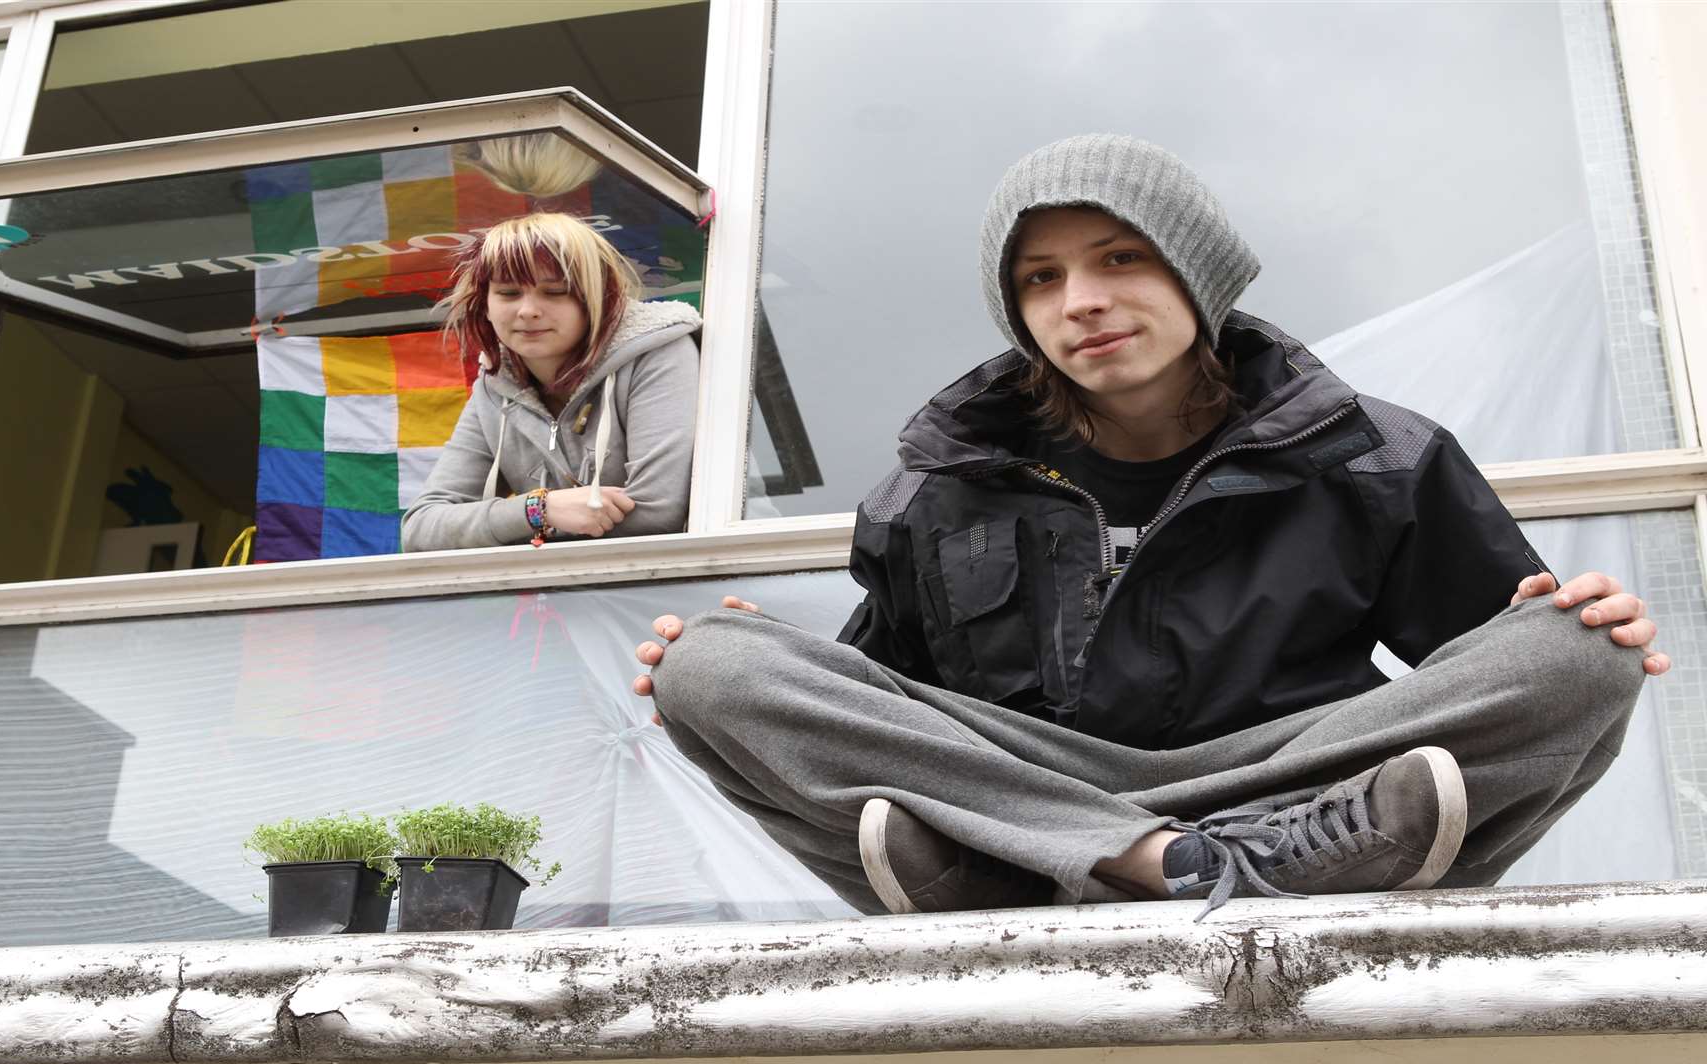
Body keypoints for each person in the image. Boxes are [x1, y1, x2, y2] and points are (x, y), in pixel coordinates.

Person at [629, 135, 1670, 920]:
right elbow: (899, 724)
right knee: (710, 669)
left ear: (1194, 273)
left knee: (1582, 651)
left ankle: (1157, 860)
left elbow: (1493, 673)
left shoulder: (1376, 457)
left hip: (1303, 791)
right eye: (1042, 278)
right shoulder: (938, 486)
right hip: (1030, 785)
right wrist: (752, 665)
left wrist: (1572, 620)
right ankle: (1130, 858)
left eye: (1120, 258)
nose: (1081, 301)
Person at [401, 213, 700, 550]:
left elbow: (657, 513)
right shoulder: (496, 386)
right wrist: (539, 509)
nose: (528, 310)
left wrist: (519, 529)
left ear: (599, 299)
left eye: (555, 292)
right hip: (559, 596)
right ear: (483, 304)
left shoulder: (658, 352)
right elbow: (421, 530)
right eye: (509, 293)